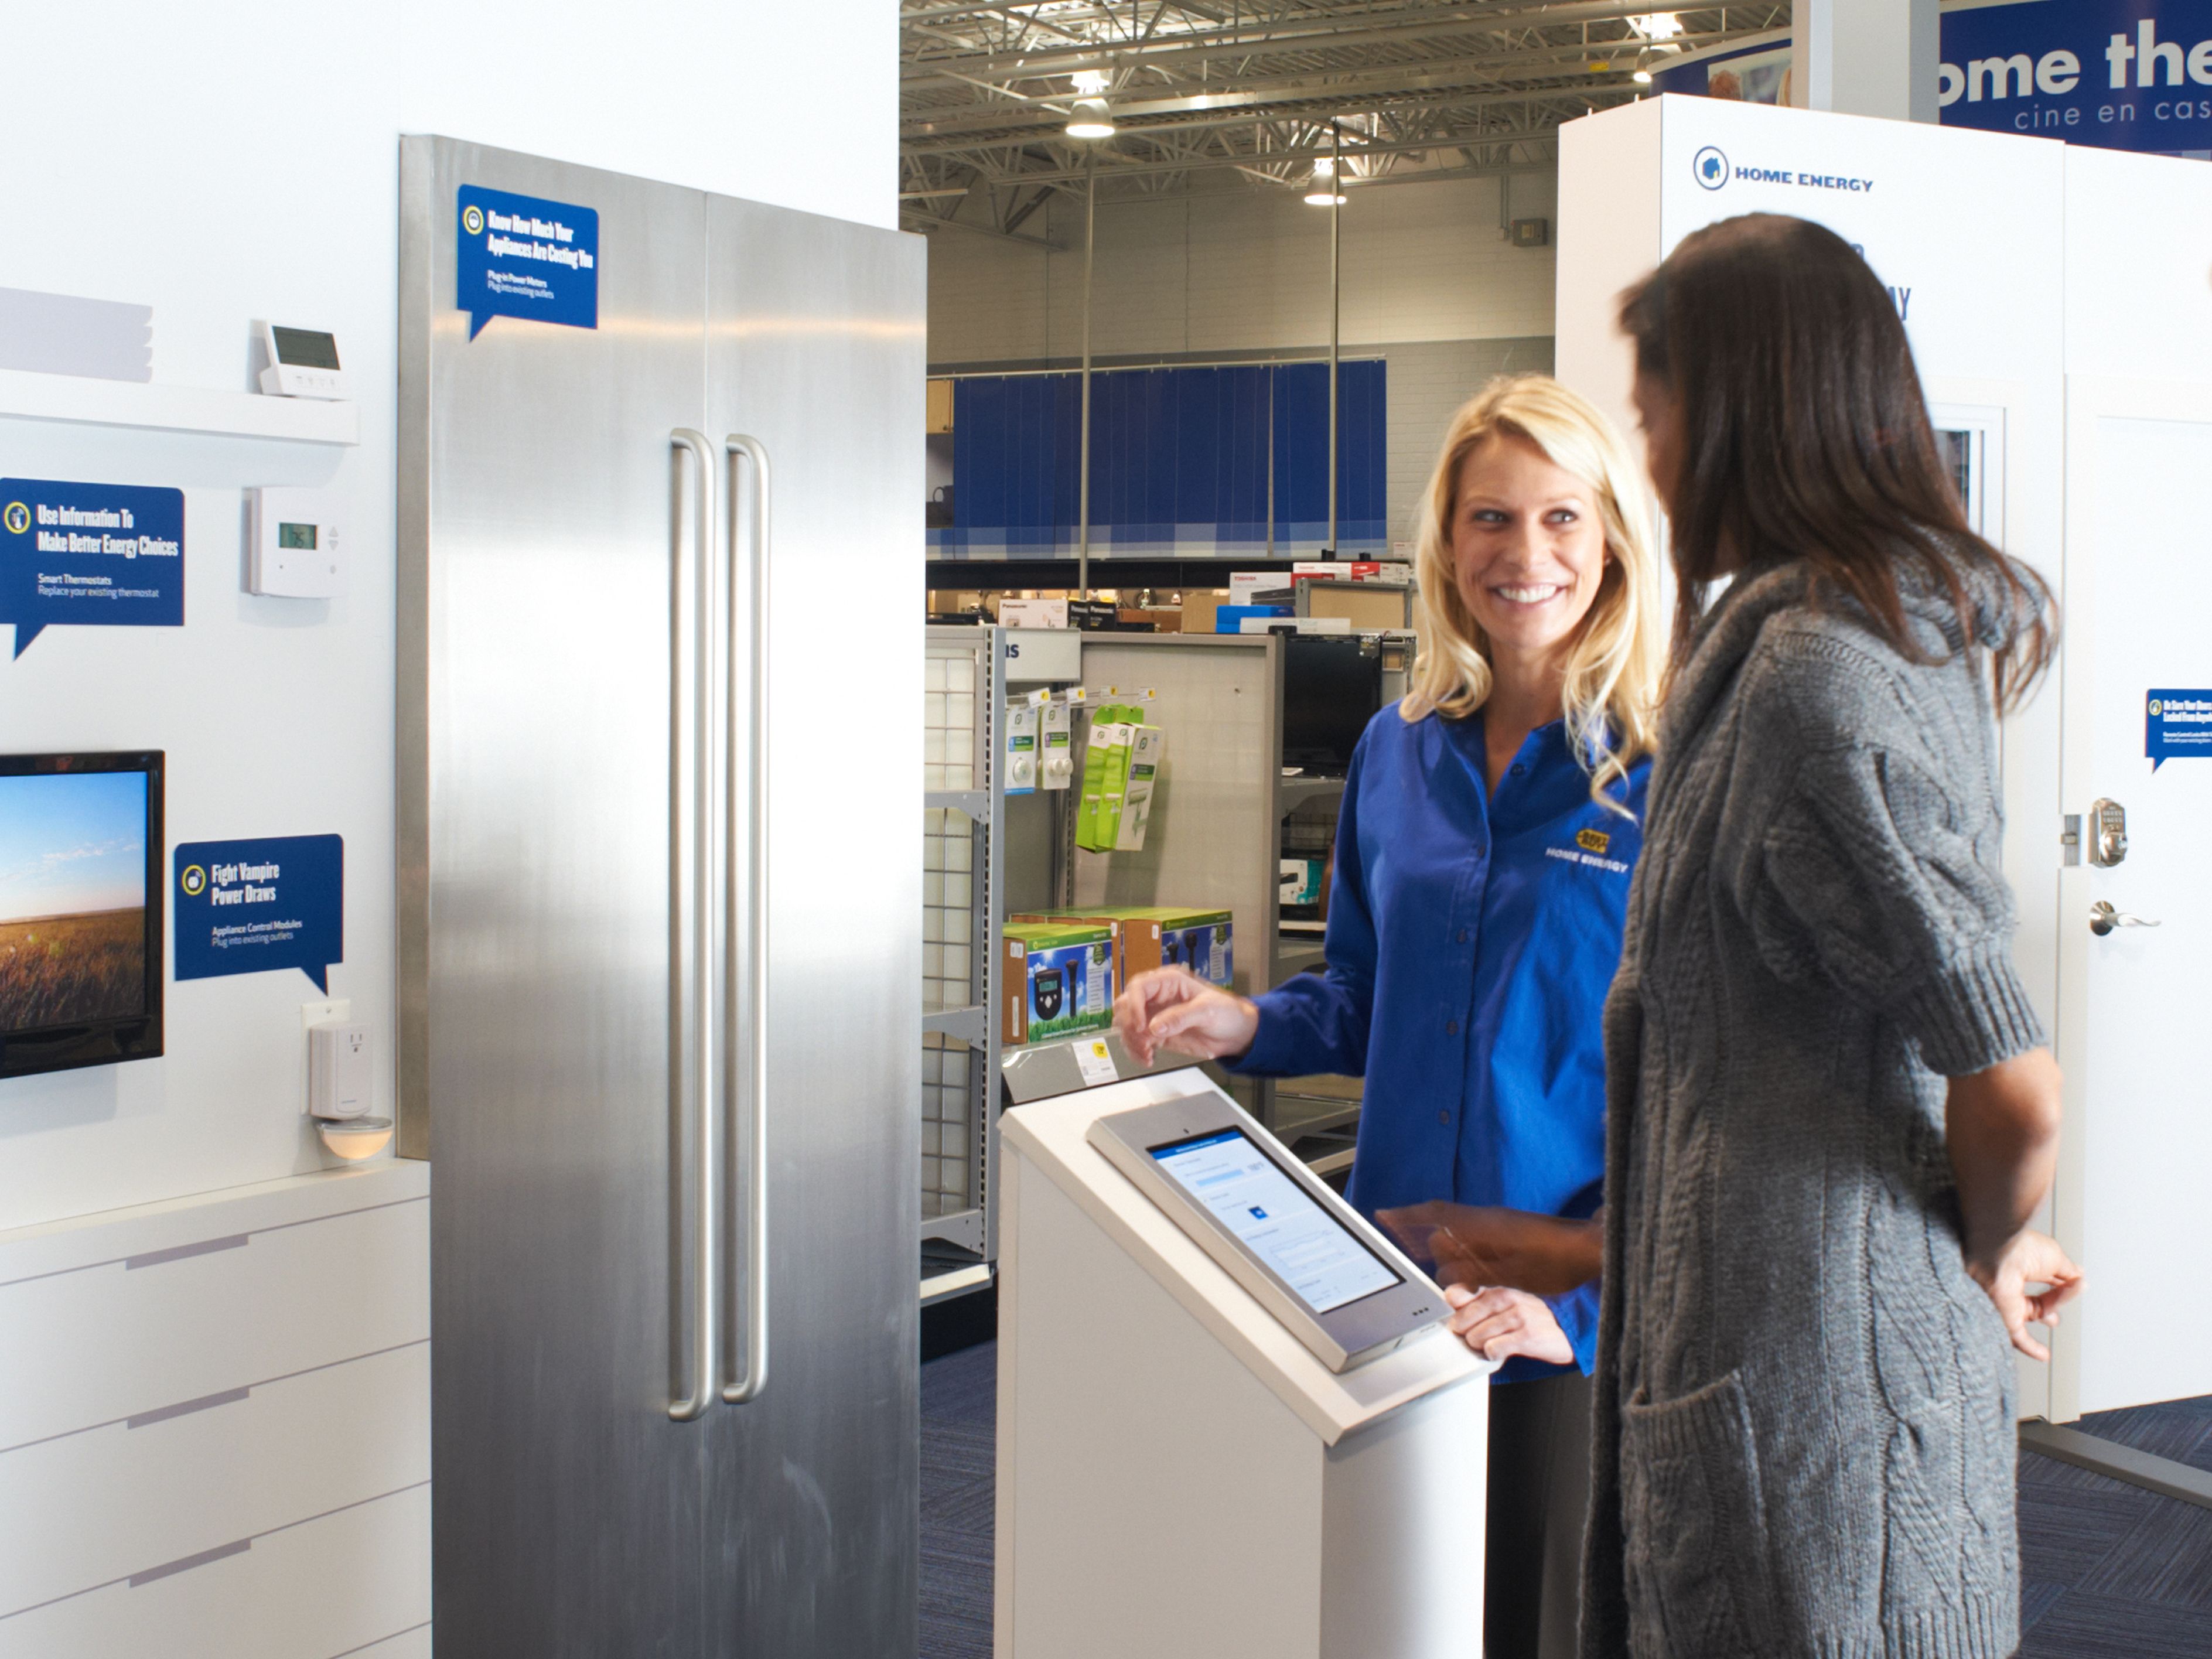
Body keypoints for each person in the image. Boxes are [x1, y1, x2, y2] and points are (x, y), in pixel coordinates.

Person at [1581, 213, 2085, 1659]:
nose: (1651, 457)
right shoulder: (1892, 637)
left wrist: (1993, 1245)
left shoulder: (1817, 680)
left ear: (1734, 409)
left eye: (1654, 413)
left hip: (1807, 1374)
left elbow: (2011, 1073)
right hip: (1819, 1346)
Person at [1114, 374, 1667, 1659]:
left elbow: (1715, 1099)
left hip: (1561, 1318)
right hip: (1392, 1283)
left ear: (1611, 542)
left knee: (1538, 1624)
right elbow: (1367, 999)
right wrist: (1239, 1025)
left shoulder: (1667, 768)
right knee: (1376, 1619)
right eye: (1489, 519)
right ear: (1445, 543)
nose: (1522, 555)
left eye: (1560, 520)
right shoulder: (1396, 749)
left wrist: (1586, 1311)